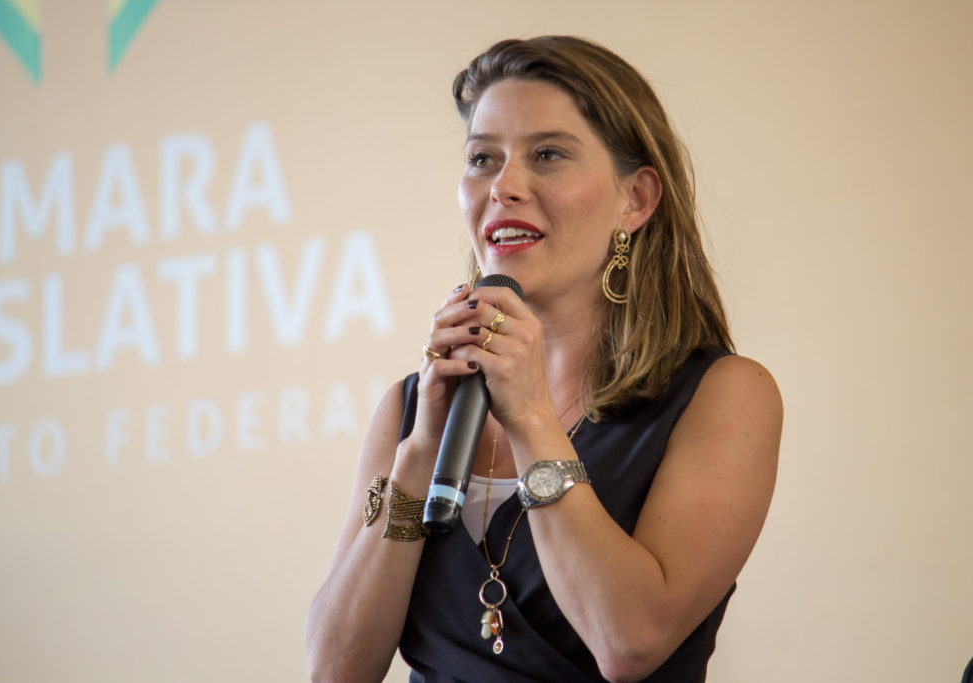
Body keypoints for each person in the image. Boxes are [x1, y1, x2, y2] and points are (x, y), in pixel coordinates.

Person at [306, 35, 782, 683]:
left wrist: (530, 416)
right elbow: (336, 669)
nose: (504, 186)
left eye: (548, 155)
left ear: (636, 199)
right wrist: (418, 455)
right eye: (483, 159)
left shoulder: (724, 395)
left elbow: (629, 643)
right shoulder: (410, 408)